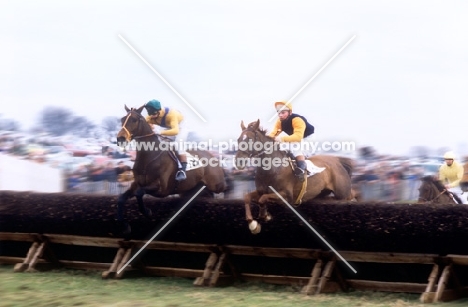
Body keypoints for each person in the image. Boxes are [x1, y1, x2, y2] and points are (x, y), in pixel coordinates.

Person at [268, 101, 315, 181]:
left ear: (290, 112)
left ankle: (301, 170)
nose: (280, 115)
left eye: (283, 113)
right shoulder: (279, 122)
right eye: (279, 113)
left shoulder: (297, 120)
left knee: (296, 148)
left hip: (307, 136)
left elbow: (298, 137)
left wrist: (281, 139)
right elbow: (273, 134)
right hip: (294, 137)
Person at [144, 99, 188, 181]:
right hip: (167, 128)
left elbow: (175, 131)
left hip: (180, 128)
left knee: (178, 144)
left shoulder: (171, 114)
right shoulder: (150, 116)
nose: (152, 116)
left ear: (159, 110)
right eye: (150, 114)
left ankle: (182, 170)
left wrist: (160, 132)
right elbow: (143, 124)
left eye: (154, 114)